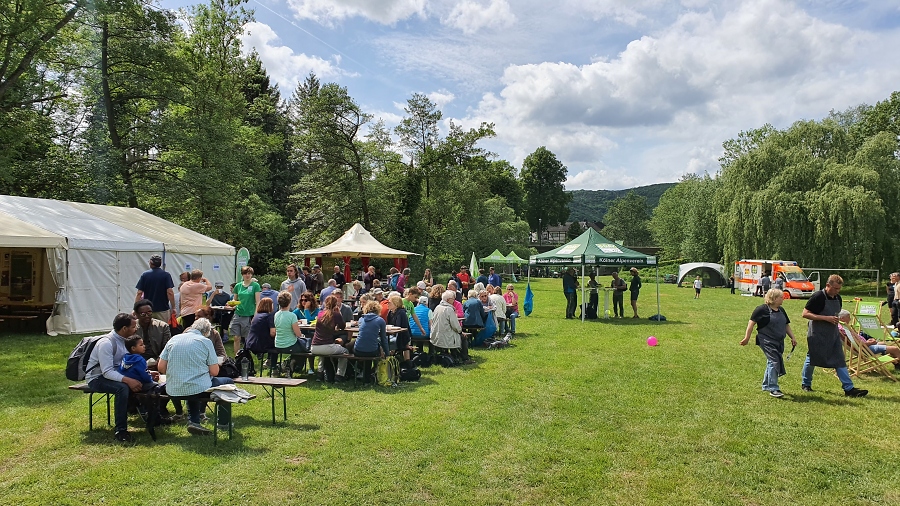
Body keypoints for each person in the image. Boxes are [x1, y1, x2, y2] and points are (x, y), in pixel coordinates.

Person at [158, 318, 234, 435]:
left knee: (193, 387)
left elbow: (161, 367)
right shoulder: (205, 342)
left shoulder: (174, 339)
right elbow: (214, 372)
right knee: (228, 382)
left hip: (173, 388)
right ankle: (223, 423)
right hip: (197, 387)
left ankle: (194, 422)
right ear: (207, 332)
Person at [800, 275, 868, 397]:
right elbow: (805, 314)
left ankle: (849, 389)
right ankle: (806, 383)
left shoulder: (838, 298)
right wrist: (825, 318)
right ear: (828, 285)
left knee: (839, 359)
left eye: (839, 289)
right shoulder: (818, 297)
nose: (837, 291)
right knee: (812, 358)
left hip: (832, 334)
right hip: (817, 333)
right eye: (835, 288)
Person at [85, 313, 144, 442]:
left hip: (115, 374)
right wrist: (128, 380)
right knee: (122, 388)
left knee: (144, 380)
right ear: (124, 328)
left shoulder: (126, 341)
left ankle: (152, 418)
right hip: (97, 378)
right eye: (134, 327)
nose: (136, 329)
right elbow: (106, 372)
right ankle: (121, 431)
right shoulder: (106, 343)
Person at [740, 288, 797, 398]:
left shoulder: (781, 310)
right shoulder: (761, 310)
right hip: (766, 340)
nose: (783, 298)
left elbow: (786, 325)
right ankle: (773, 388)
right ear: (774, 298)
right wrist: (747, 337)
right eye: (781, 297)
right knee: (774, 361)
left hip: (779, 341)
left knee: (771, 361)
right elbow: (751, 324)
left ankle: (766, 385)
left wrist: (793, 337)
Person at [311, 295, 349, 382]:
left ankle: (320, 374)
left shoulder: (320, 313)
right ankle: (339, 375)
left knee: (322, 353)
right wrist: (339, 313)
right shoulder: (336, 314)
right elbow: (343, 326)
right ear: (335, 305)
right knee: (345, 352)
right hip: (327, 346)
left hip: (314, 346)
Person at [353, 300, 388, 383]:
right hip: (372, 351)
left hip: (358, 350)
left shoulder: (361, 319)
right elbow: (384, 338)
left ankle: (357, 372)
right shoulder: (380, 320)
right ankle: (370, 375)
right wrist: (387, 353)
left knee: (352, 345)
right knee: (372, 346)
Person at [273, 291, 307, 377]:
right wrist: (303, 336)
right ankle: (291, 365)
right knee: (305, 348)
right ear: (289, 302)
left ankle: (287, 363)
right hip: (290, 345)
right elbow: (298, 334)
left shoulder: (276, 314)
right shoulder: (292, 316)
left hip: (278, 344)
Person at [135, 254, 176, 322]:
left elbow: (139, 293)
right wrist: (173, 307)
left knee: (147, 328)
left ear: (151, 262)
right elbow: (170, 292)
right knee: (163, 329)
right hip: (163, 308)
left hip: (147, 309)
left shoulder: (145, 275)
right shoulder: (166, 275)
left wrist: (135, 308)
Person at [230, 266, 261, 356]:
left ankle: (246, 356)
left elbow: (258, 302)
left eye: (249, 273)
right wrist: (231, 303)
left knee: (247, 338)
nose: (247, 275)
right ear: (242, 275)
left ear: (251, 274)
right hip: (238, 313)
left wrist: (255, 315)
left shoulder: (255, 285)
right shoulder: (238, 286)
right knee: (236, 337)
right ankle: (237, 357)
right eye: (245, 273)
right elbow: (235, 300)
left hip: (249, 314)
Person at [133, 299, 172, 364]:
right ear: (136, 314)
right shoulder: (132, 327)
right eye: (143, 314)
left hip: (157, 359)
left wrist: (159, 361)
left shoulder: (162, 326)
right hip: (136, 360)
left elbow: (167, 347)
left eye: (149, 313)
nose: (147, 316)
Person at [430, 290, 465, 361]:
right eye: (453, 299)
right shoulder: (449, 309)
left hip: (436, 336)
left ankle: (451, 355)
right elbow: (456, 326)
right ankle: (464, 357)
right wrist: (461, 332)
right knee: (463, 337)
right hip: (446, 336)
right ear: (448, 300)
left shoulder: (437, 307)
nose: (454, 301)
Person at [387, 295, 412, 361]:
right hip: (393, 334)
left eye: (390, 303)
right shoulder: (390, 313)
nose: (388, 304)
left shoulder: (401, 313)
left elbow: (403, 327)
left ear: (396, 304)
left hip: (402, 336)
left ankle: (407, 364)